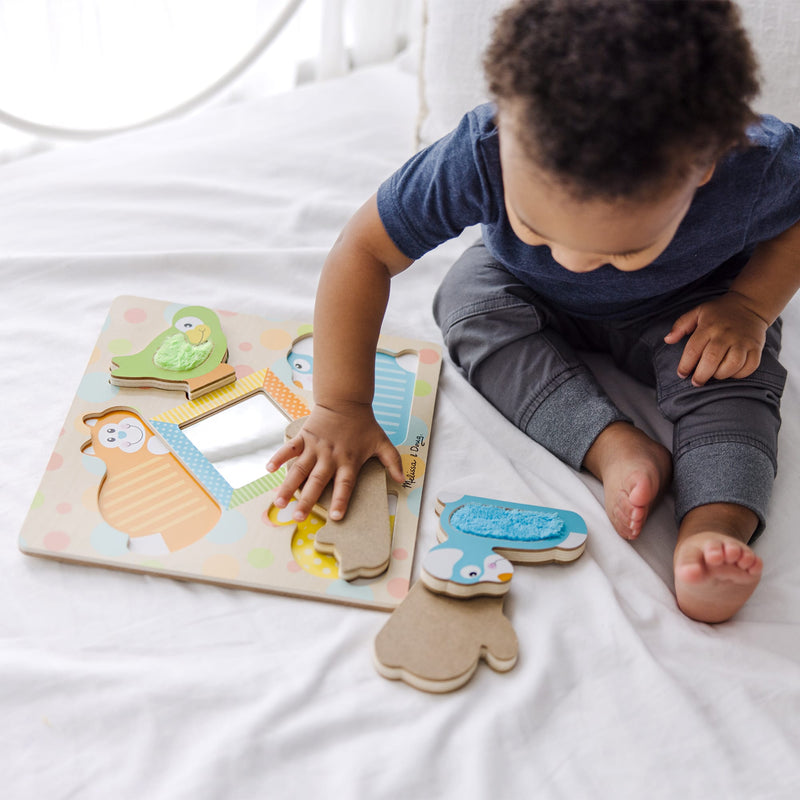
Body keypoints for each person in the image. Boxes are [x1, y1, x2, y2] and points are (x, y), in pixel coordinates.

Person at [268, 0, 800, 623]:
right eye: (537, 227)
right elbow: (362, 252)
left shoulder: (758, 163)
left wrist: (750, 304)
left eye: (626, 248)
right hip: (520, 289)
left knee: (734, 380)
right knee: (468, 305)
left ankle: (712, 530)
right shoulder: (483, 149)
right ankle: (612, 446)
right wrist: (343, 404)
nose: (575, 261)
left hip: (690, 309)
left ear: (704, 167)